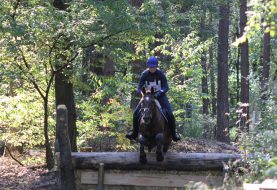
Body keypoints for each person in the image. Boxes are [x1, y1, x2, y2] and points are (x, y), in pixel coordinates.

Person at [126, 56, 181, 142]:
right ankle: (134, 133)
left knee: (170, 113)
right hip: (147, 96)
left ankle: (174, 134)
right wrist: (142, 94)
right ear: (148, 66)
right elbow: (139, 87)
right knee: (136, 113)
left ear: (156, 66)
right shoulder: (144, 74)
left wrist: (158, 94)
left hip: (160, 96)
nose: (152, 69)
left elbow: (166, 87)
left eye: (153, 67)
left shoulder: (161, 74)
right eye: (150, 67)